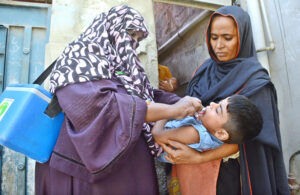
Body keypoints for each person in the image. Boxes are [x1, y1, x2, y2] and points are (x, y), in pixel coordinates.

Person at [35, 5, 202, 195]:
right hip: (84, 174)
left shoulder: (121, 64)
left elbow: (144, 94)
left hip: (124, 169)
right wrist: (173, 110)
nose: (133, 43)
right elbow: (103, 107)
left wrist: (179, 101)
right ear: (110, 29)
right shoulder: (78, 59)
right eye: (131, 34)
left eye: (138, 39)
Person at [160, 5, 290, 195]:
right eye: (214, 38)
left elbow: (255, 139)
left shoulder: (255, 81)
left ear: (242, 37)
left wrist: (198, 158)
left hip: (227, 174)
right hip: (187, 168)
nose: (218, 45)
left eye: (227, 38)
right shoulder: (203, 70)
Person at [153, 95, 263, 163]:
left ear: (221, 133)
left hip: (151, 143)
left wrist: (171, 109)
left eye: (217, 110)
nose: (212, 104)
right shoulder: (215, 134)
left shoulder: (194, 133)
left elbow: (158, 135)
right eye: (219, 103)